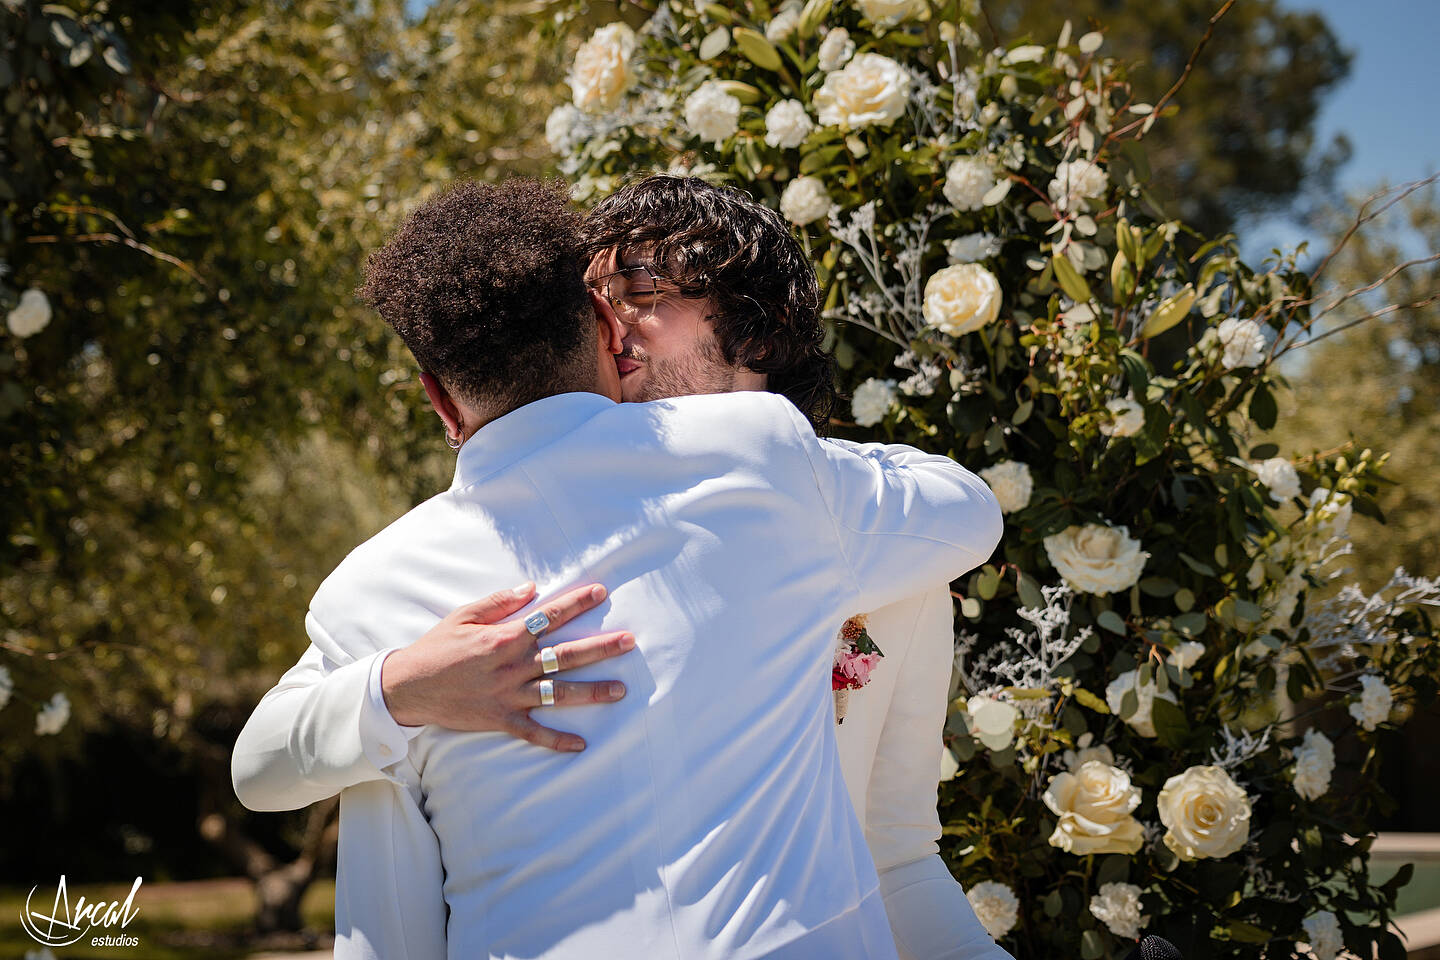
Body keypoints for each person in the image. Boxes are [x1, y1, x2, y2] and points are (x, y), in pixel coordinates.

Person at [232, 177, 1003, 959]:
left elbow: (900, 853)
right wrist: (401, 688)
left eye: (641, 290)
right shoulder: (419, 609)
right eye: (599, 297)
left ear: (759, 335)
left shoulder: (870, 538)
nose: (619, 324)